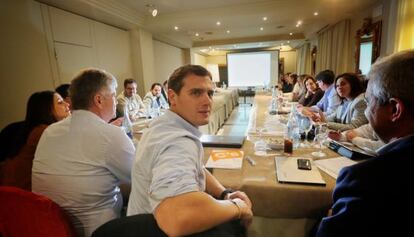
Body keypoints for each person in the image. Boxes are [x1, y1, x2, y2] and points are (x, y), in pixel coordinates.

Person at [127, 65, 253, 236]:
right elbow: (177, 218)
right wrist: (238, 208)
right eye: (196, 93)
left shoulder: (162, 125)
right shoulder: (178, 142)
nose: (207, 101)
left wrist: (224, 194)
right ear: (172, 96)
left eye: (210, 93)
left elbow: (197, 167)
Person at [315, 50, 414, 236]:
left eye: (370, 102)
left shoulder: (365, 181)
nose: (367, 112)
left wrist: (326, 216)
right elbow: (364, 129)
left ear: (395, 110)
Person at [32, 68, 135, 237]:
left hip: (49, 227)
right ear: (99, 100)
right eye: (113, 95)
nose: (116, 102)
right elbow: (141, 175)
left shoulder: (50, 131)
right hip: (98, 230)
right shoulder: (110, 135)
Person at [0, 91, 70, 190]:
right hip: (21, 193)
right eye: (60, 102)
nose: (67, 104)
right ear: (47, 110)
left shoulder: (38, 129)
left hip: (15, 190)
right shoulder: (43, 132)